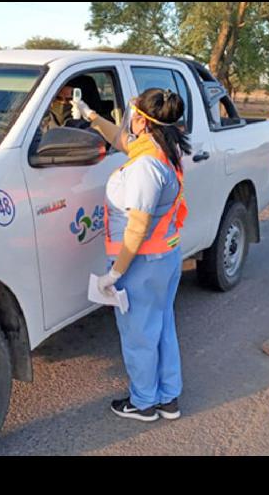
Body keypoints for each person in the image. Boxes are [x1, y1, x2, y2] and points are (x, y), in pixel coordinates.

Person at [75, 88, 192, 422]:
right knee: (161, 325)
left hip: (141, 265)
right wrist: (92, 117)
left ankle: (143, 404)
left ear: (142, 119)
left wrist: (115, 274)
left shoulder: (144, 169)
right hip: (164, 258)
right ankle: (169, 398)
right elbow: (124, 139)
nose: (129, 120)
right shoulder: (161, 149)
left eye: (133, 114)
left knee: (139, 335)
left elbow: (137, 227)